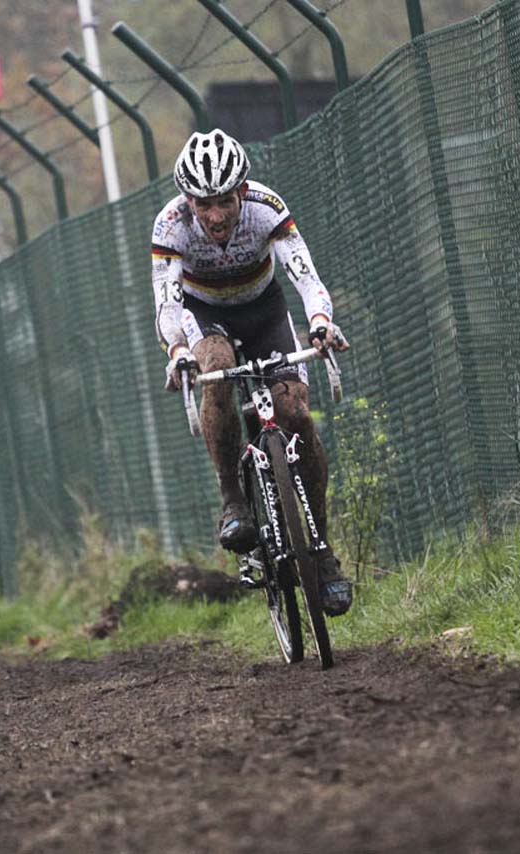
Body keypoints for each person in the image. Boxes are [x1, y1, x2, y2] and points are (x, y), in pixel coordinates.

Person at [151, 129, 354, 616]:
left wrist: (322, 323)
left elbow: (305, 276)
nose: (216, 216)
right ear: (188, 201)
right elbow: (166, 301)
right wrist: (178, 348)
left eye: (224, 202)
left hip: (264, 310)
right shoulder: (171, 225)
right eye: (204, 204)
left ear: (241, 191)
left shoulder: (266, 207)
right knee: (215, 368)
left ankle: (322, 553)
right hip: (204, 317)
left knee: (296, 416)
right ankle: (233, 500)